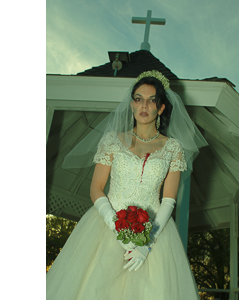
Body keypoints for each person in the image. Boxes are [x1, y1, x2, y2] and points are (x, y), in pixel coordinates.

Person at [46, 70, 208, 299]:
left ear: (161, 107)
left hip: (154, 233)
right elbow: (96, 188)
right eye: (138, 98)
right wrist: (117, 229)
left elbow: (169, 199)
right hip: (105, 228)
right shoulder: (112, 140)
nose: (144, 105)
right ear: (131, 104)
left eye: (152, 100)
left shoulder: (173, 148)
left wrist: (146, 244)